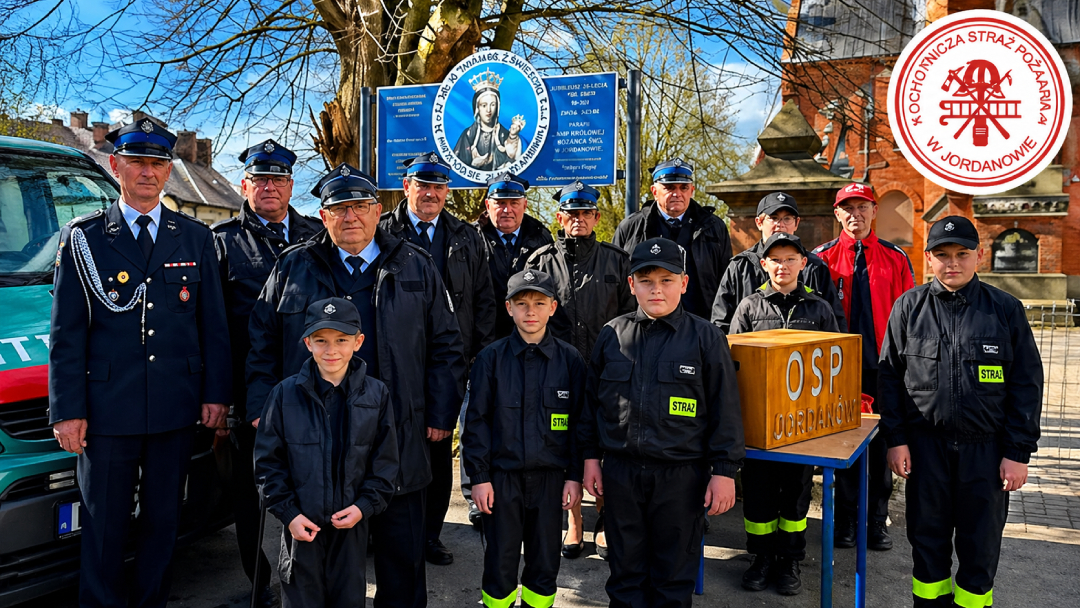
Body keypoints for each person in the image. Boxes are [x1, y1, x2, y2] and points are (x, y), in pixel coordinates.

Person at [246, 163, 466, 608]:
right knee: (314, 572)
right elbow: (261, 343)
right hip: (312, 446)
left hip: (396, 437)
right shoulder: (294, 266)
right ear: (323, 216)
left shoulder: (415, 265)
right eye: (339, 209)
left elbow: (446, 345)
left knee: (401, 562)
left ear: (378, 209)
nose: (351, 217)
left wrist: (442, 416)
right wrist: (260, 408)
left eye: (361, 207)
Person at [48, 118, 231, 608]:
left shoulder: (194, 238)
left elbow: (212, 325)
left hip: (175, 408)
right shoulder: (84, 239)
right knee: (104, 525)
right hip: (107, 411)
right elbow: (66, 335)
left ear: (168, 170)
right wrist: (66, 409)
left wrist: (216, 394)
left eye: (157, 163)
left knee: (163, 522)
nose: (148, 173)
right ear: (116, 165)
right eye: (137, 163)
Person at [878, 216, 1043, 607]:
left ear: (978, 256)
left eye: (962, 254)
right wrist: (896, 440)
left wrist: (1018, 453)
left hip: (985, 453)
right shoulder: (908, 308)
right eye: (943, 255)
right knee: (927, 546)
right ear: (928, 259)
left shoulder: (1005, 310)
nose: (952, 263)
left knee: (979, 550)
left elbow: (1026, 384)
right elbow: (889, 380)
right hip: (925, 450)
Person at [580, 237, 745, 608]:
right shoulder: (612, 336)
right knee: (624, 575)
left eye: (667, 280)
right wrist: (590, 457)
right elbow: (591, 405)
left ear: (684, 284)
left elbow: (726, 409)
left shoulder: (706, 338)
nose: (657, 289)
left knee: (673, 579)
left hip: (681, 478)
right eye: (646, 280)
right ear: (631, 285)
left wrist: (724, 471)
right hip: (621, 475)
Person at [211, 139, 322, 606]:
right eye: (260, 180)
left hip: (313, 389)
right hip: (250, 393)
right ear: (245, 185)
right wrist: (221, 397)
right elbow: (213, 328)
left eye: (278, 179)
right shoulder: (221, 242)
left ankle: (311, 580)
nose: (270, 187)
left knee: (313, 487)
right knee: (252, 496)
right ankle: (259, 586)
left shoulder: (319, 234)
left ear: (291, 185)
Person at [379, 151, 497, 565]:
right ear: (406, 186)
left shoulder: (466, 236)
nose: (430, 193)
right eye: (422, 184)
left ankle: (429, 535)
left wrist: (478, 357)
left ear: (447, 191)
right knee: (385, 446)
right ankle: (381, 535)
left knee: (436, 446)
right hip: (396, 361)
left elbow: (484, 302)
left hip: (450, 363)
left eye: (438, 186)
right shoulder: (381, 232)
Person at [254, 297, 399, 608]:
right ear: (308, 343)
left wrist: (363, 506)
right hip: (301, 531)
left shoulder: (377, 395)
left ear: (358, 342)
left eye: (341, 340)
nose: (331, 350)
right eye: (321, 340)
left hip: (351, 529)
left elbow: (385, 463)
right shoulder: (283, 395)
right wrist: (289, 514)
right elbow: (267, 464)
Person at [462, 269, 587, 608]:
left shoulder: (570, 360)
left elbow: (580, 425)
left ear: (553, 307)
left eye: (539, 303)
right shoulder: (490, 359)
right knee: (500, 563)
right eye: (521, 303)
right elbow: (476, 424)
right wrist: (480, 478)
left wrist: (574, 477)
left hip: (551, 481)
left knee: (545, 563)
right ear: (508, 308)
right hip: (502, 481)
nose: (530, 311)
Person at [525, 180, 634, 559]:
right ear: (560, 217)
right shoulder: (540, 261)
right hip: (557, 371)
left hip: (608, 370)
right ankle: (574, 523)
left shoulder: (617, 260)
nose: (578, 219)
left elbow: (629, 318)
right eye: (571, 213)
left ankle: (605, 518)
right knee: (564, 443)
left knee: (606, 444)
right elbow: (530, 317)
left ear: (596, 218)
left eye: (586, 213)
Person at [728, 232, 839, 596]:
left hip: (800, 427)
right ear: (764, 265)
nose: (783, 266)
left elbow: (834, 365)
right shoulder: (748, 308)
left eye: (791, 258)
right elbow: (733, 364)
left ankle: (790, 560)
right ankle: (760, 558)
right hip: (759, 427)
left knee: (795, 495)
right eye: (775, 259)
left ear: (803, 264)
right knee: (758, 495)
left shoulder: (820, 308)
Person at [812, 182, 914, 551]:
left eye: (863, 208)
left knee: (882, 445)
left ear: (874, 211)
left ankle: (875, 521)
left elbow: (910, 318)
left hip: (885, 367)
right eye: (848, 208)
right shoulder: (819, 260)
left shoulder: (896, 258)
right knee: (841, 447)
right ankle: (844, 522)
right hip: (838, 369)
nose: (856, 215)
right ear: (837, 214)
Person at [613, 158, 732, 318]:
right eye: (669, 188)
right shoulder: (631, 227)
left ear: (692, 190)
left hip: (700, 324)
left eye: (684, 188)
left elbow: (726, 283)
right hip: (645, 327)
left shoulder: (713, 227)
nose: (677, 194)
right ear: (655, 191)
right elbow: (616, 283)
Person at [711, 191, 845, 334]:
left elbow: (834, 321)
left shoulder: (814, 267)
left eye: (787, 219)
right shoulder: (740, 266)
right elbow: (721, 321)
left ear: (796, 223)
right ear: (759, 223)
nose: (780, 225)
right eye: (773, 218)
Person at [475, 172, 554, 339]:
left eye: (514, 203)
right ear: (488, 205)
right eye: (500, 203)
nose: (507, 210)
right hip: (482, 337)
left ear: (525, 205)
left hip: (530, 338)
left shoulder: (542, 237)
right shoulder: (470, 238)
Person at [453, 68, 527, 171]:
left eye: (493, 105)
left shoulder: (505, 136)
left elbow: (515, 163)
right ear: (477, 108)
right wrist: (473, 166)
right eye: (484, 105)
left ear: (497, 107)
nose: (489, 110)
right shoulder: (468, 135)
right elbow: (455, 166)